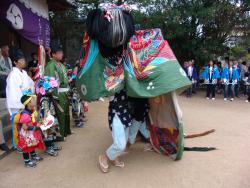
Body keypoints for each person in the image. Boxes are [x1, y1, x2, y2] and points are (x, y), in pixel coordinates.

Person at [44, 44, 71, 139]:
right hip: (58, 93)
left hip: (65, 92)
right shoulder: (50, 65)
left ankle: (66, 132)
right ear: (53, 54)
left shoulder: (61, 64)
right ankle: (60, 135)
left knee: (66, 113)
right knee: (60, 114)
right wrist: (54, 96)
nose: (61, 55)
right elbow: (51, 81)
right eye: (59, 53)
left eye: (61, 53)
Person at [14, 94, 45, 167]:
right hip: (26, 134)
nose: (34, 102)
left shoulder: (30, 111)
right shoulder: (25, 114)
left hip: (29, 133)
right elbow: (24, 127)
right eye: (32, 101)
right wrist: (34, 128)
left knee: (32, 144)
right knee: (26, 147)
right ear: (28, 103)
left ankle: (33, 156)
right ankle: (27, 161)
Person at [6, 49, 34, 116]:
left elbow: (31, 84)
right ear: (15, 62)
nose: (23, 62)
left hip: (27, 103)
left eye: (23, 60)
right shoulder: (12, 75)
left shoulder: (24, 73)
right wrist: (22, 105)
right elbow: (14, 94)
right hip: (19, 107)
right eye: (21, 60)